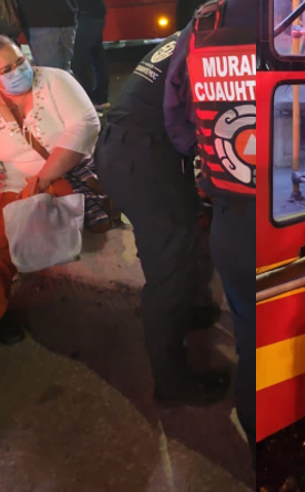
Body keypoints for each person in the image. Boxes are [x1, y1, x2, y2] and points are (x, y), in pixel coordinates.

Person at [0, 34, 103, 351]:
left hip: (68, 179)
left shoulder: (55, 81)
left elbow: (86, 125)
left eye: (20, 62)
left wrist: (42, 179)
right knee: (11, 223)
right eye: (7, 69)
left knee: (13, 216)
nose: (19, 71)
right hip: (21, 195)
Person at [94, 30, 228, 407]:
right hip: (141, 156)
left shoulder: (198, 30)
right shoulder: (216, 40)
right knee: (169, 266)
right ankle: (171, 382)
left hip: (133, 149)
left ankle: (189, 308)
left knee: (182, 242)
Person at [164, 0, 257, 442]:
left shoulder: (206, 23)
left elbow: (176, 119)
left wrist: (208, 168)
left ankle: (253, 425)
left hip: (234, 210)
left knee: (249, 333)